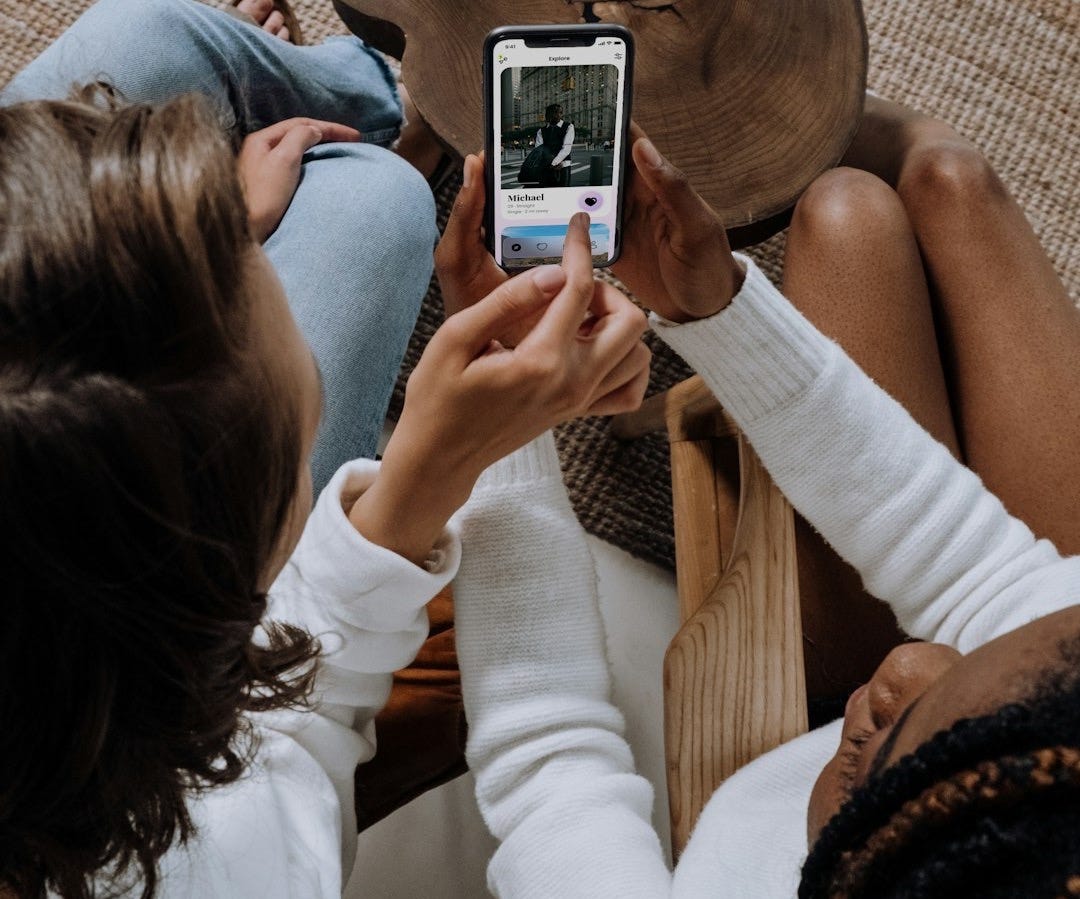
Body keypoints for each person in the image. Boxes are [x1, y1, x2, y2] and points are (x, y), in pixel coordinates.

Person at [0, 1, 653, 896]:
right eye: (256, 284)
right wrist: (460, 459)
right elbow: (304, 712)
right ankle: (385, 119)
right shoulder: (248, 853)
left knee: (146, 40)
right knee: (373, 200)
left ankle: (381, 95)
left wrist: (204, 235)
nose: (255, 247)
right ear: (246, 575)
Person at [440, 101, 1080, 896]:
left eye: (884, 754)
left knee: (850, 214)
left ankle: (883, 142)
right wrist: (719, 310)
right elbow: (971, 566)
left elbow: (547, 764)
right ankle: (914, 152)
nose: (908, 663)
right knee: (933, 185)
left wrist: (494, 419)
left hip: (800, 698)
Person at [535, 102, 574, 187]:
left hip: (563, 166)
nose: (558, 115)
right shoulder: (541, 131)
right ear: (548, 114)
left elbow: (566, 147)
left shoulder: (568, 126)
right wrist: (549, 163)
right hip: (547, 167)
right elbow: (539, 150)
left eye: (560, 112)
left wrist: (554, 163)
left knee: (563, 193)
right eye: (555, 112)